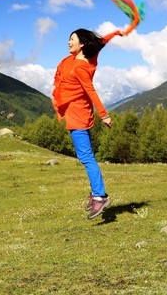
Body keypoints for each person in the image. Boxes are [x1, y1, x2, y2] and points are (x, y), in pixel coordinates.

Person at [52, 28, 116, 219]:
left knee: (87, 157)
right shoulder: (87, 59)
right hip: (80, 113)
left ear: (82, 45)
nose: (69, 42)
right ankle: (96, 193)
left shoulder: (79, 66)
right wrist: (117, 33)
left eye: (72, 39)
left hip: (77, 115)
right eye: (68, 38)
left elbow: (91, 91)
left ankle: (100, 197)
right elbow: (100, 44)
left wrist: (104, 115)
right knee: (86, 156)